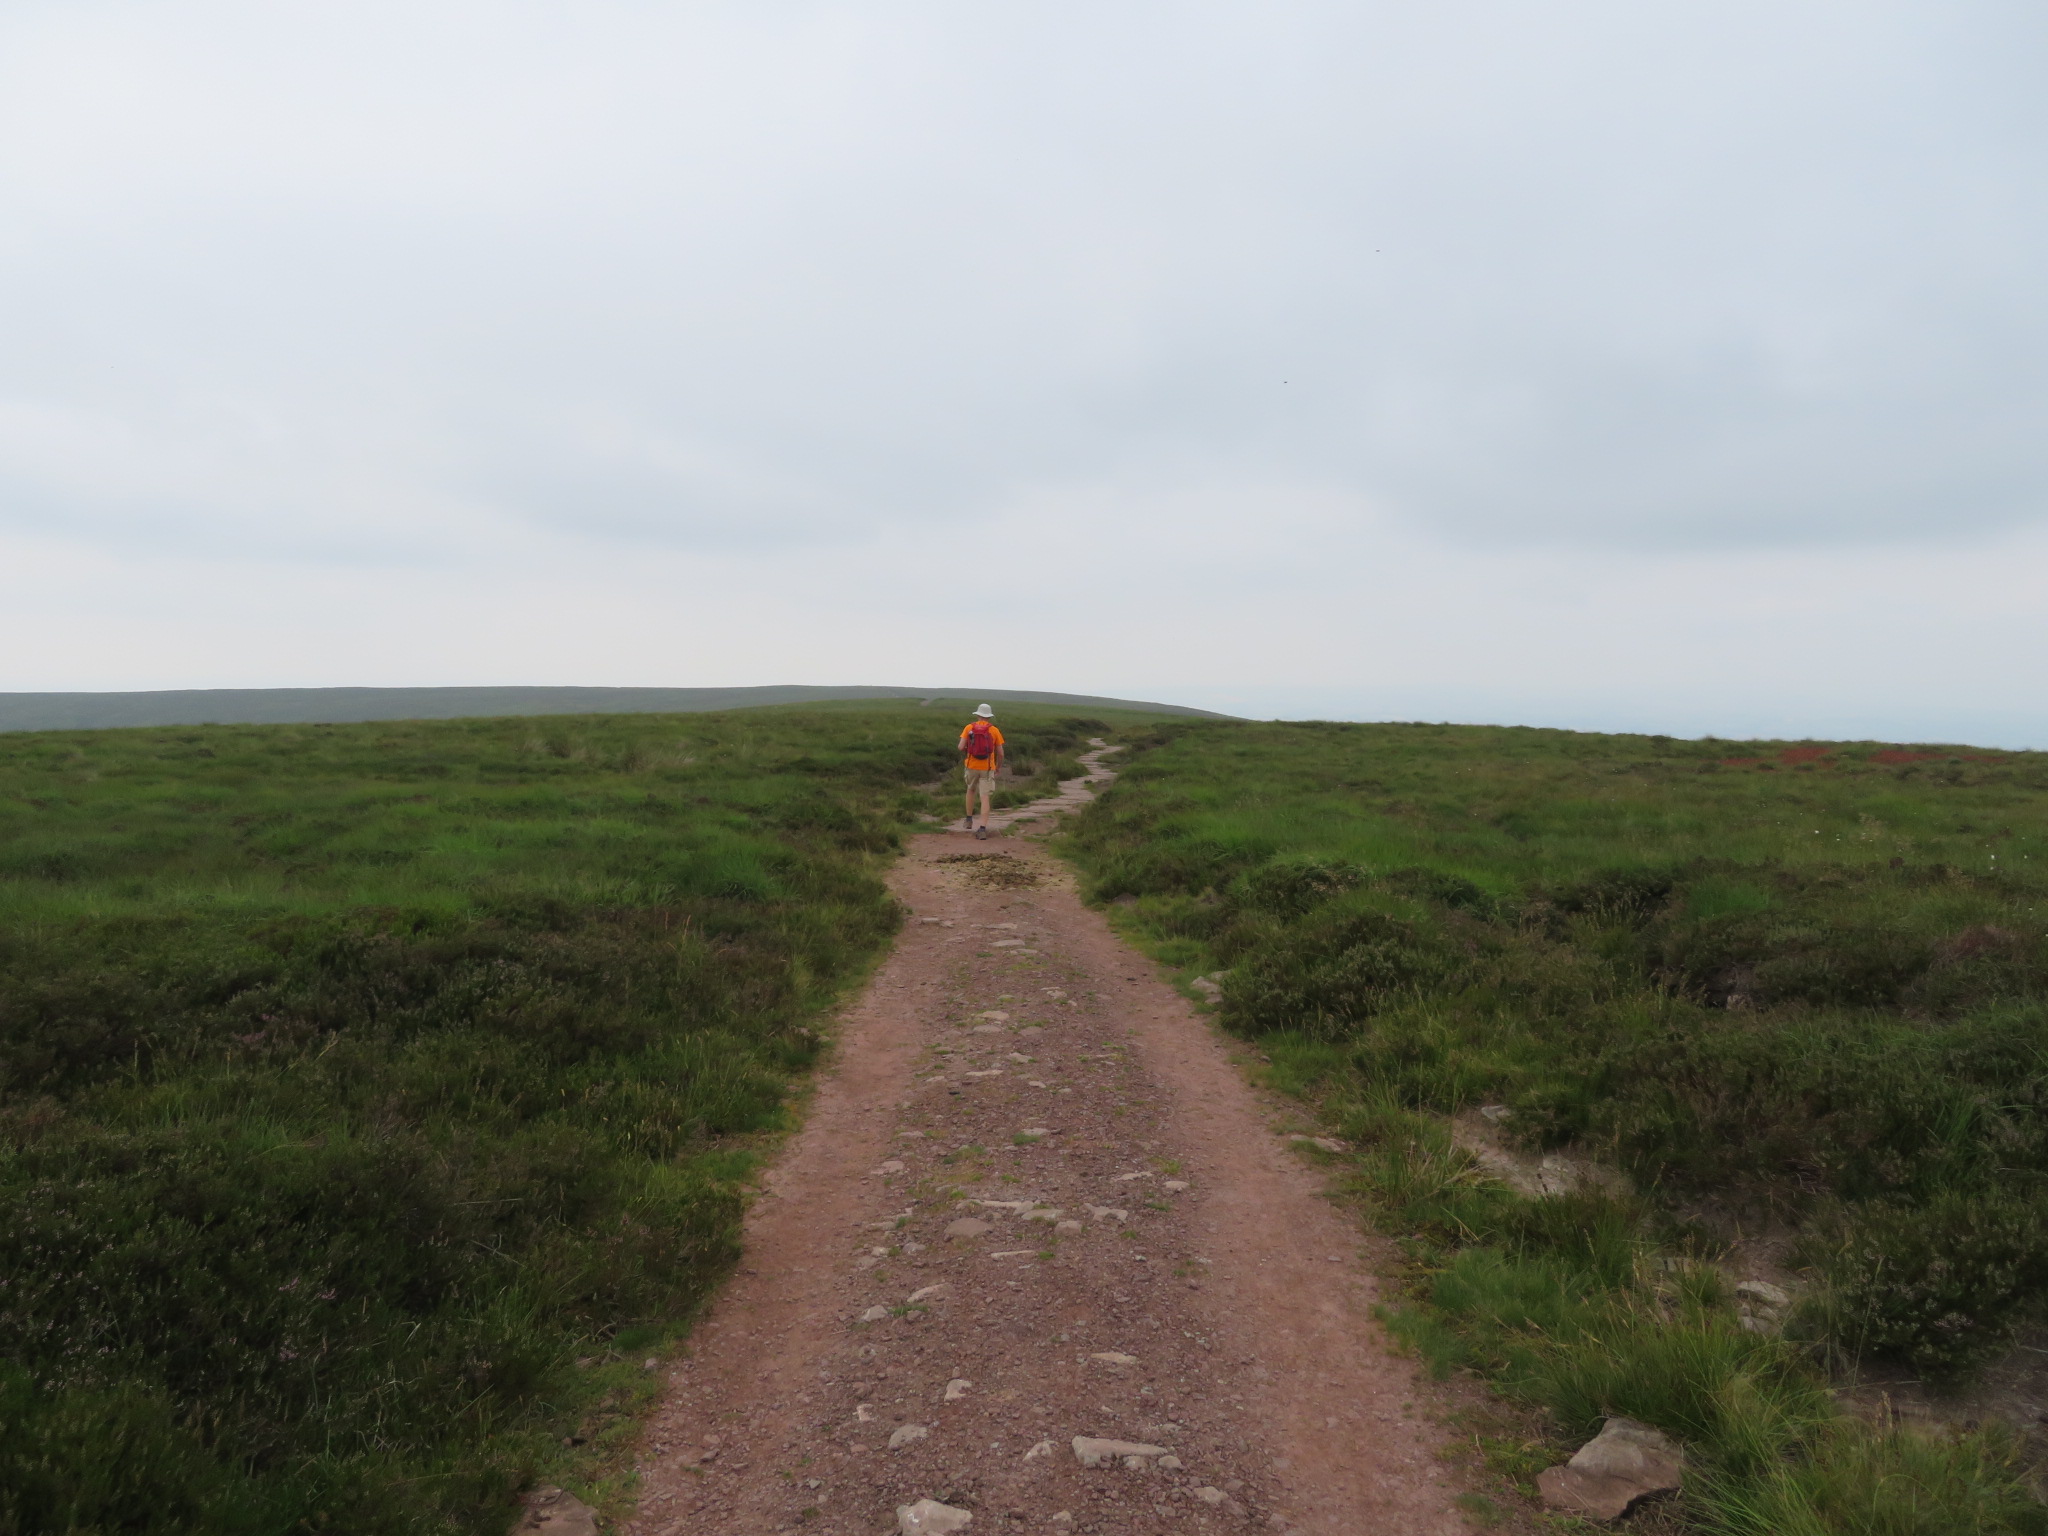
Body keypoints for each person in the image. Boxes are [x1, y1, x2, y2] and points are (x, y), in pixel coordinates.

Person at [958, 703, 1005, 837]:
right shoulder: (994, 730)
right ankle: (983, 829)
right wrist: (998, 767)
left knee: (970, 790)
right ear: (989, 716)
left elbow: (960, 747)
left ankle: (968, 820)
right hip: (987, 767)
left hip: (971, 766)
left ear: (978, 715)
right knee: (984, 797)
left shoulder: (969, 728)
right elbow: (1001, 753)